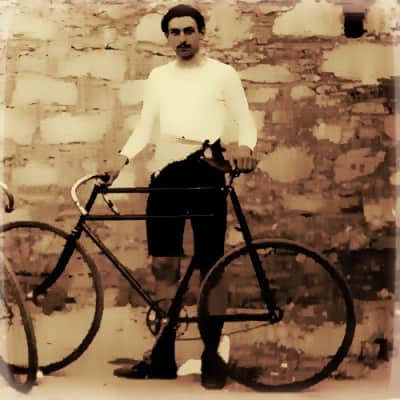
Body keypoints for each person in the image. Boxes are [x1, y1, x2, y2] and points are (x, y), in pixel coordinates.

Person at [105, 4, 257, 389]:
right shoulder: (159, 77)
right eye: (175, 32)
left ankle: (212, 357)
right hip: (166, 173)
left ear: (201, 33)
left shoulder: (222, 74)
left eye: (189, 31)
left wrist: (244, 146)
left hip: (206, 170)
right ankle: (162, 356)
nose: (183, 38)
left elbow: (245, 120)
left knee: (212, 268)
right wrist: (120, 158)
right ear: (167, 38)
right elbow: (145, 128)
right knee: (163, 265)